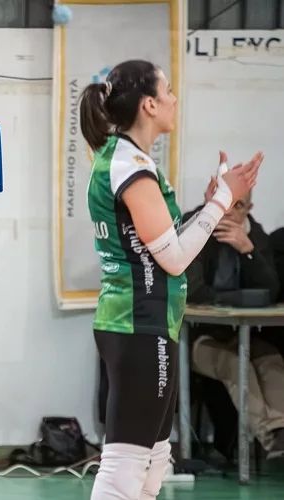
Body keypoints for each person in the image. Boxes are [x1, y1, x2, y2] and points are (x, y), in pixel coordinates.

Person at [78, 59, 263, 499]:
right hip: (138, 325)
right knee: (125, 467)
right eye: (168, 91)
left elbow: (162, 243)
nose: (174, 98)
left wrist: (213, 200)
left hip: (144, 324)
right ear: (149, 105)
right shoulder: (130, 166)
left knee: (154, 460)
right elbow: (176, 260)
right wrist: (224, 198)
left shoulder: (126, 159)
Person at [184, 187, 284, 458]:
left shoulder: (256, 233)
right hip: (196, 335)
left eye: (237, 205)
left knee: (270, 359)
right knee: (236, 363)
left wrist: (248, 251)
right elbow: (193, 292)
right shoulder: (194, 227)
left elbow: (269, 291)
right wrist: (240, 298)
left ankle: (281, 431)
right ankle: (268, 434)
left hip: (243, 332)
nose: (227, 212)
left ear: (248, 209)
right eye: (222, 203)